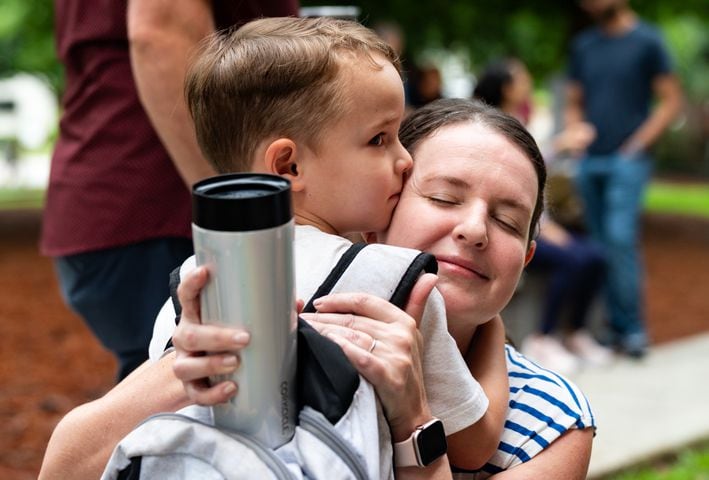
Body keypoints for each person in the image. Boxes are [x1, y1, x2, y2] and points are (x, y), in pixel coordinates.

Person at [39, 18, 501, 479]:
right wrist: (492, 331)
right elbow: (474, 443)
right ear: (288, 164)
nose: (404, 161)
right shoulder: (396, 280)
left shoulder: (190, 286)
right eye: (379, 139)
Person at [174, 98, 596, 478]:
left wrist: (414, 422)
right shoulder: (255, 325)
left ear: (525, 258)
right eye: (444, 198)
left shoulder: (551, 421)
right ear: (379, 214)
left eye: (508, 222)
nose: (474, 231)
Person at [40, 0, 299, 380]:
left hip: (113, 201)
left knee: (177, 388)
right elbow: (159, 32)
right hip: (157, 208)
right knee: (198, 390)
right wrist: (234, 204)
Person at [474, 58, 613, 374]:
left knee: (596, 256)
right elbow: (519, 187)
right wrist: (543, 229)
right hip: (516, 229)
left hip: (537, 225)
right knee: (573, 259)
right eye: (521, 77)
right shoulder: (495, 129)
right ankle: (542, 338)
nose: (527, 82)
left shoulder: (516, 122)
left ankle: (576, 333)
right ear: (507, 87)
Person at [566, 0, 683, 357]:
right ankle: (612, 329)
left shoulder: (648, 40)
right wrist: (576, 132)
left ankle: (633, 330)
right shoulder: (583, 46)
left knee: (619, 238)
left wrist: (637, 144)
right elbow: (573, 100)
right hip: (590, 161)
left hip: (626, 161)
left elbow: (670, 100)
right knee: (599, 242)